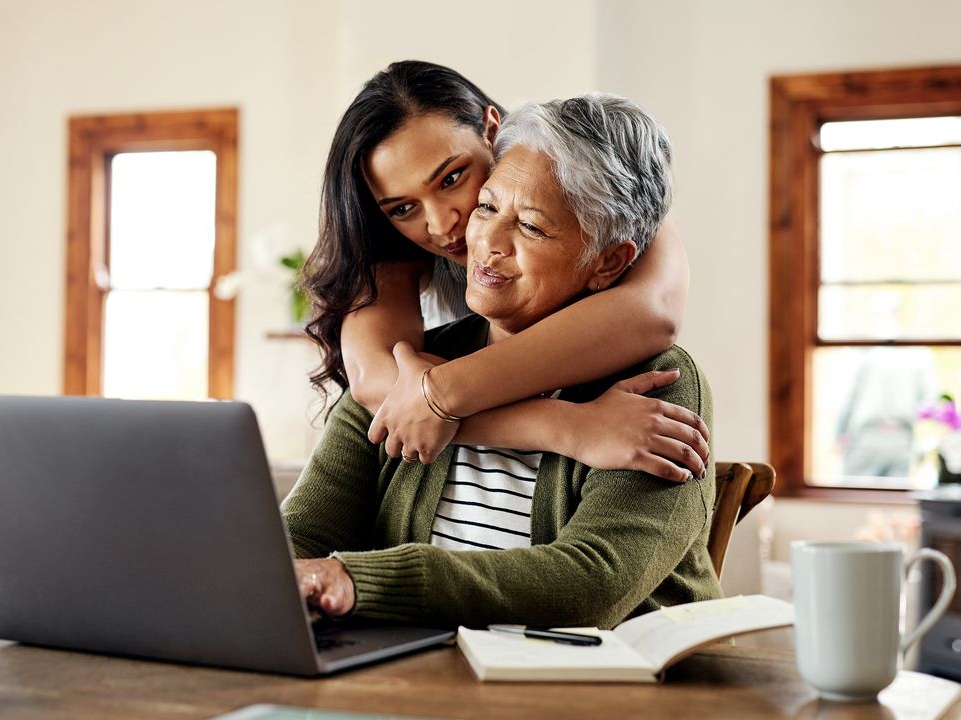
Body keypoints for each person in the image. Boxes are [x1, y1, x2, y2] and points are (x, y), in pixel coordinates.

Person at [283, 95, 721, 628]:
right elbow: (299, 535)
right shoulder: (412, 369)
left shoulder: (662, 383)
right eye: (487, 208)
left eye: (532, 228)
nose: (481, 241)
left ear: (609, 262)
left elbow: (591, 585)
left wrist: (361, 580)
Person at [303, 61, 708, 481]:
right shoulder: (391, 248)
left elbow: (652, 312)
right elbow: (379, 384)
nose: (442, 225)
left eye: (451, 178)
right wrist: (566, 427)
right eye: (404, 208)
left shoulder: (590, 173)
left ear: (491, 130)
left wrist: (441, 394)